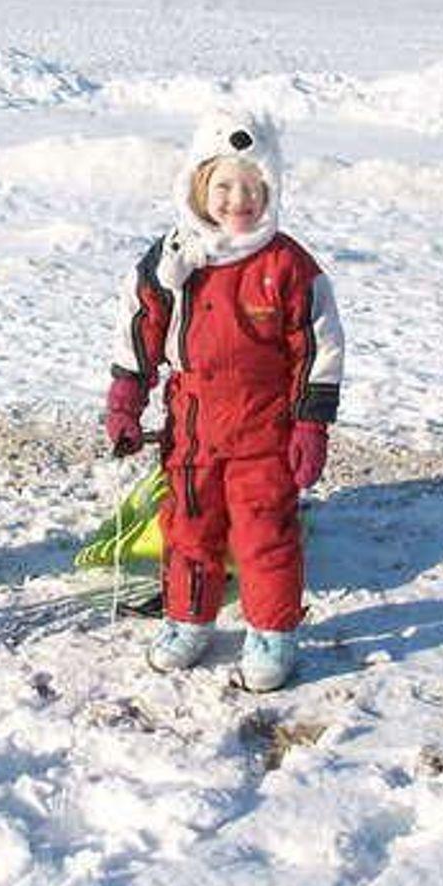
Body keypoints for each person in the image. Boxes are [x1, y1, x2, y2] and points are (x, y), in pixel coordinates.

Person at [105, 111, 344, 692]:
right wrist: (126, 400)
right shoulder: (172, 258)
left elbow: (318, 347)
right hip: (191, 431)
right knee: (189, 527)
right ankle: (188, 618)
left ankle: (272, 632)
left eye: (253, 187)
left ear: (271, 189)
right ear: (198, 185)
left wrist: (310, 424)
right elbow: (140, 328)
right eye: (224, 186)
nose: (239, 200)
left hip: (265, 431)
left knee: (264, 534)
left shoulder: (288, 265)